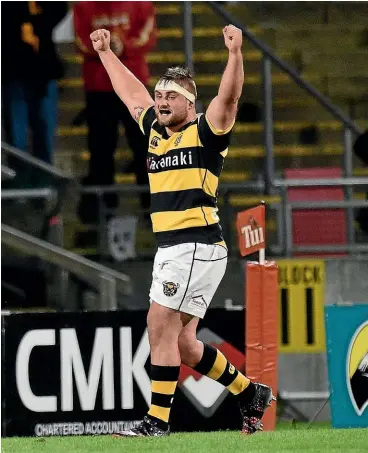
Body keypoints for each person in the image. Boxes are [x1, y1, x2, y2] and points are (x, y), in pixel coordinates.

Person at [89, 25, 275, 437]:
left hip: (196, 245)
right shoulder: (154, 132)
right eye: (160, 96)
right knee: (185, 344)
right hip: (175, 248)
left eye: (170, 96)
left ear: (190, 104)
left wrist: (235, 54)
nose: (160, 102)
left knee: (159, 323)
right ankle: (249, 393)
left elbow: (229, 97)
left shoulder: (206, 134)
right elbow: (131, 92)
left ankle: (156, 423)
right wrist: (105, 53)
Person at [73, 1, 157, 223]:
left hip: (133, 85)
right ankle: (103, 213)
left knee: (145, 149)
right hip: (99, 87)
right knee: (100, 152)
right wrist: (105, 48)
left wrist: (123, 45)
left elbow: (148, 36)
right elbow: (80, 39)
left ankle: (153, 209)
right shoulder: (84, 5)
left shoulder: (140, 3)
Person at [1, 1, 68, 168]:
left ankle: (43, 186)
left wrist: (36, 25)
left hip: (42, 71)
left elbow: (59, 8)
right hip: (13, 72)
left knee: (44, 136)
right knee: (17, 141)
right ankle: (19, 187)